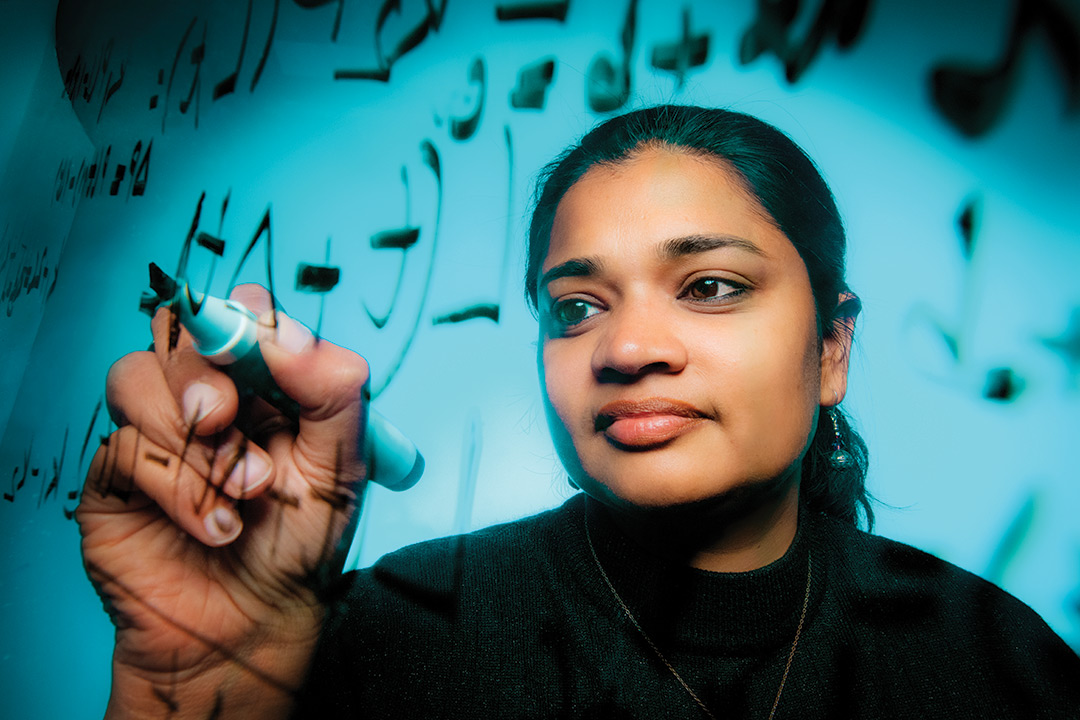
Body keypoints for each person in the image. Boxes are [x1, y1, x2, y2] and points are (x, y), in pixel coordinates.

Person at [79, 105, 1080, 719]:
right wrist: (206, 676)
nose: (629, 348)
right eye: (577, 306)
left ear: (832, 350)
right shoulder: (389, 638)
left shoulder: (1001, 667)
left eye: (712, 287)